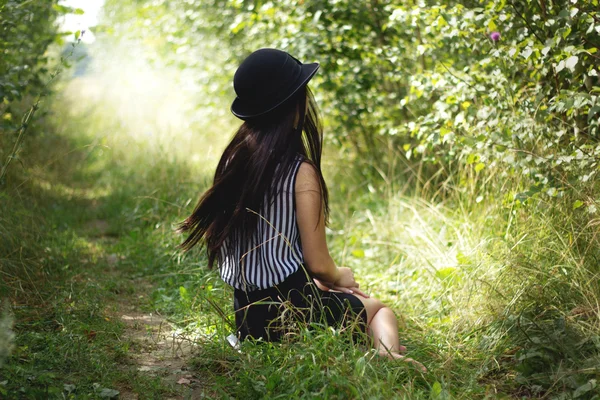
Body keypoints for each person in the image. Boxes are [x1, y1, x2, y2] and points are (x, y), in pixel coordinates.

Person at [178, 48, 425, 372]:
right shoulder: (299, 171)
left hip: (248, 320)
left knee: (322, 289)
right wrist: (341, 276)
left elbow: (281, 264)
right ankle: (388, 355)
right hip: (294, 314)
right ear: (293, 107)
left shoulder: (233, 161)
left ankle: (342, 331)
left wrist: (323, 282)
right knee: (378, 311)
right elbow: (319, 264)